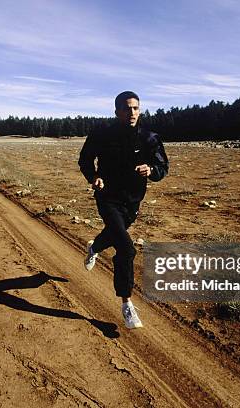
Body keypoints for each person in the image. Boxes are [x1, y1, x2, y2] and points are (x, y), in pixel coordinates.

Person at [78, 91, 169, 329]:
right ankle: (127, 304)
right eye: (127, 109)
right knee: (126, 248)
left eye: (136, 108)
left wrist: (151, 170)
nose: (132, 113)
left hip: (132, 202)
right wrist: (94, 177)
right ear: (117, 111)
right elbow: (85, 159)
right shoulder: (102, 134)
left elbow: (162, 166)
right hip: (107, 198)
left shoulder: (149, 138)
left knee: (113, 233)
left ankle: (94, 247)